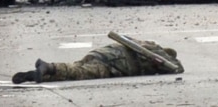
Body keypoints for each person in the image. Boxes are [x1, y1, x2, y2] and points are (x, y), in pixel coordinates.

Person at [11, 36, 183, 83]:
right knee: (81, 72)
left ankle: (36, 75)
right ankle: (49, 67)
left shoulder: (144, 43)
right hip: (114, 64)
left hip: (102, 54)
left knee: (76, 70)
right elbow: (177, 68)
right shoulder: (158, 55)